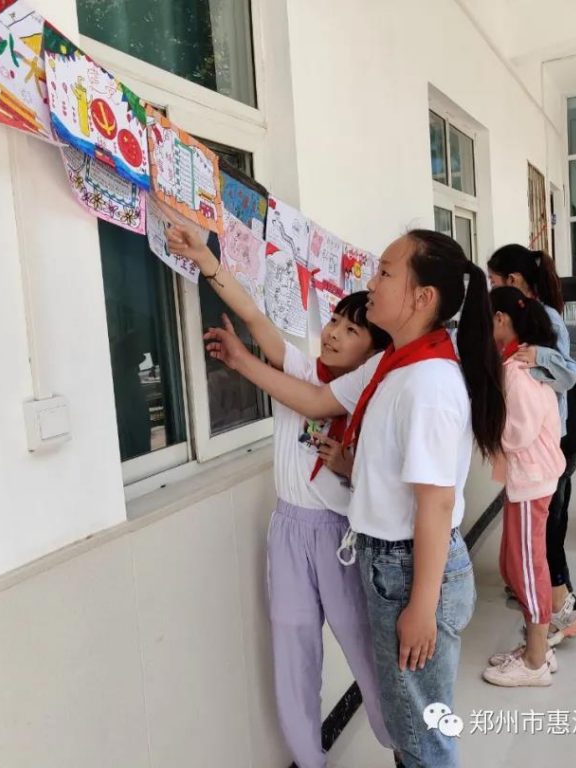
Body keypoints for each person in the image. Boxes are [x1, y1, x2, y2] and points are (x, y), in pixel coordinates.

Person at [203, 230, 504, 768]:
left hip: (412, 567)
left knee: (422, 735)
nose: (371, 282)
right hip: (386, 560)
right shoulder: (392, 366)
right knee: (412, 725)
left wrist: (422, 606)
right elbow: (317, 398)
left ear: (421, 298)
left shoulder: (428, 384)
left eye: (385, 272)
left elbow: (434, 505)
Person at [166, 226, 393, 768]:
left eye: (350, 329)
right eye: (333, 321)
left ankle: (405, 746)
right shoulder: (303, 370)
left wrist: (351, 466)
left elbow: (380, 475)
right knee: (293, 651)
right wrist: (207, 262)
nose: (333, 333)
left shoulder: (373, 393)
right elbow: (256, 320)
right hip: (289, 532)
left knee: (365, 649)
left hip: (340, 537)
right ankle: (307, 759)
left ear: (374, 350)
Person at [487, 245, 576, 647]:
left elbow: (566, 374)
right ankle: (549, 617)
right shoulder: (532, 329)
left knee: (543, 543)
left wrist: (535, 358)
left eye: (493, 282)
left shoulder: (532, 343)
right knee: (539, 542)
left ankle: (554, 624)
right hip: (546, 446)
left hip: (547, 447)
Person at [482, 287, 566, 686]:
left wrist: (485, 429)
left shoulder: (516, 369)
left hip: (532, 478)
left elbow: (518, 432)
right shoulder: (520, 360)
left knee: (527, 569)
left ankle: (534, 662)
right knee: (517, 563)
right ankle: (537, 649)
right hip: (530, 478)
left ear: (500, 319)